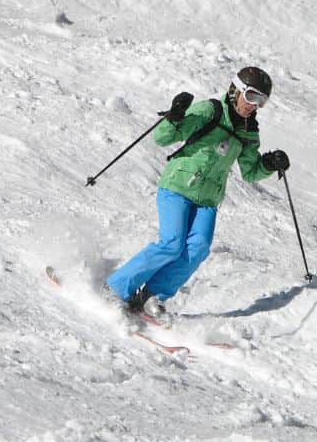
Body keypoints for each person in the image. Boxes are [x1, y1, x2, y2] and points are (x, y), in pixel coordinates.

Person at [106, 66, 290, 317]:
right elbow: (162, 138)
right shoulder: (209, 111)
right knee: (172, 244)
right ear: (235, 90)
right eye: (251, 97)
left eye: (261, 101)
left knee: (198, 249)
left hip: (208, 199)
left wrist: (269, 164)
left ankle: (152, 296)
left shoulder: (248, 133)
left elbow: (250, 172)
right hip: (178, 187)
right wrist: (176, 115)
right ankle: (115, 288)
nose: (254, 105)